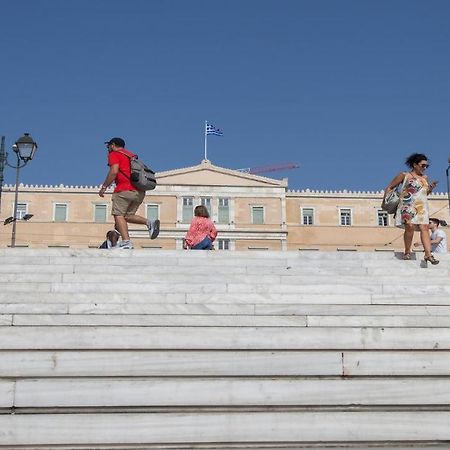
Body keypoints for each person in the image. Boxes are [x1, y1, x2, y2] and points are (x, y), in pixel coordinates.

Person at [99, 137, 160, 249]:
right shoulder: (131, 156)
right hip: (139, 191)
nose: (108, 149)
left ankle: (126, 242)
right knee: (127, 216)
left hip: (124, 190)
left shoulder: (114, 154)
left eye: (108, 146)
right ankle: (149, 223)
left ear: (113, 145)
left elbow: (114, 171)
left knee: (118, 215)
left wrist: (104, 187)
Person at [384, 153, 439, 264]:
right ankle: (407, 251)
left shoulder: (425, 178)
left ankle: (428, 254)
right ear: (415, 165)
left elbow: (423, 193)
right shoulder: (404, 175)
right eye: (423, 165)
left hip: (421, 206)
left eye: (426, 166)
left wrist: (430, 189)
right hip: (406, 205)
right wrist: (386, 199)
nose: (425, 168)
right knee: (409, 226)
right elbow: (390, 186)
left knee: (424, 227)